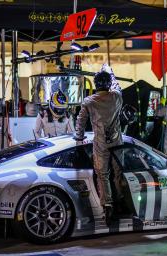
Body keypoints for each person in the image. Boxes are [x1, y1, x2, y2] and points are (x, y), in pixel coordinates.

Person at [75, 65, 123, 224]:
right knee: (118, 173)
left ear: (96, 84)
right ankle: (120, 202)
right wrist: (109, 71)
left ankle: (107, 205)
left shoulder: (89, 101)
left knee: (103, 175)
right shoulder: (117, 97)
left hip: (100, 143)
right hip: (117, 142)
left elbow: (80, 122)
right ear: (109, 83)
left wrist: (79, 136)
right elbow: (116, 86)